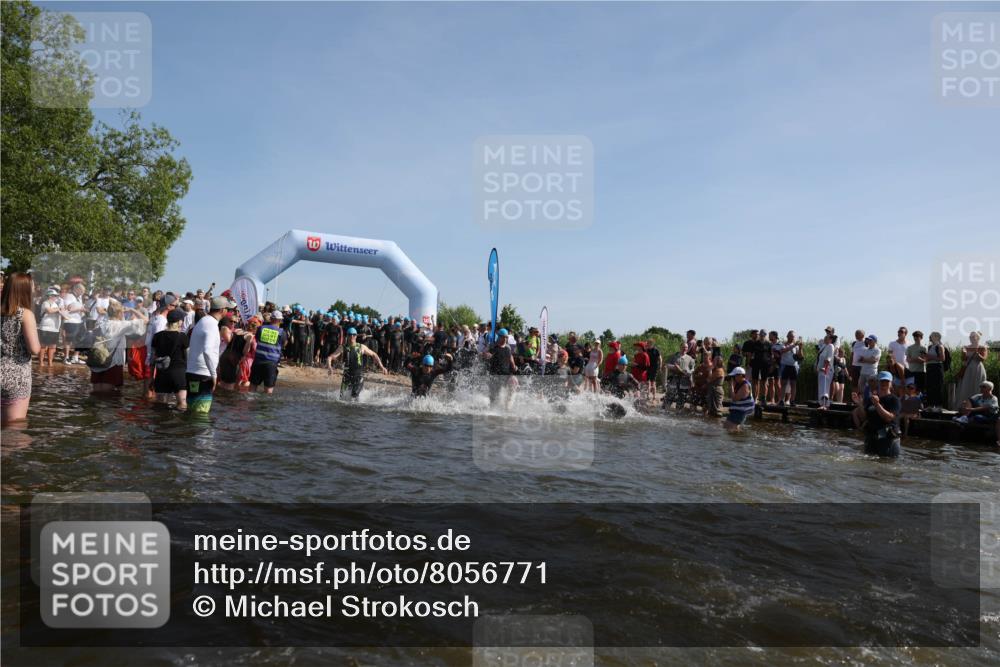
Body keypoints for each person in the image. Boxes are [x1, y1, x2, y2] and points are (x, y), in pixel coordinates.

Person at [1, 273, 42, 424]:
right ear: (24, 290)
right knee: (14, 430)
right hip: (16, 377)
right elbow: (34, 349)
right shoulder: (24, 314)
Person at [88, 300, 149, 393]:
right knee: (108, 395)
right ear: (120, 313)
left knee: (96, 391)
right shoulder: (122, 325)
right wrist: (132, 310)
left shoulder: (100, 324)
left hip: (98, 359)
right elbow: (145, 320)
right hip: (113, 361)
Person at [185, 296, 229, 413]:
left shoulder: (203, 321)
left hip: (193, 372)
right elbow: (207, 350)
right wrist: (214, 375)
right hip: (203, 375)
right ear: (222, 310)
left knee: (192, 411)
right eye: (227, 310)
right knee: (201, 414)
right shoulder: (211, 324)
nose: (228, 312)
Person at [329, 327, 388, 399]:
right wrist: (330, 367)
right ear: (347, 336)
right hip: (347, 376)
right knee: (341, 397)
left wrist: (382, 367)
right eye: (350, 335)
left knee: (354, 396)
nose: (352, 336)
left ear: (356, 336)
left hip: (358, 376)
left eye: (354, 335)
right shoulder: (343, 347)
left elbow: (374, 354)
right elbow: (330, 357)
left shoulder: (361, 347)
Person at [151, 309, 189, 409]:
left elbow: (153, 359)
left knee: (160, 406)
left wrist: (152, 377)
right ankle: (178, 423)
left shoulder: (157, 336)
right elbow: (187, 357)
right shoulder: (182, 337)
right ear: (179, 321)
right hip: (178, 373)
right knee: (182, 404)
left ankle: (161, 423)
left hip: (162, 373)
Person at [862, 371, 902, 457]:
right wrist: (859, 404)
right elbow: (865, 417)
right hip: (872, 438)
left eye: (886, 381)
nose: (884, 384)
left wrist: (877, 405)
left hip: (888, 440)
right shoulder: (871, 399)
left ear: (891, 383)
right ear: (878, 382)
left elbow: (889, 418)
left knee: (886, 466)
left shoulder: (894, 400)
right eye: (882, 381)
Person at [251, 311, 288, 394]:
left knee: (252, 387)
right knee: (268, 390)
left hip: (258, 361)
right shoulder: (281, 332)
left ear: (271, 319)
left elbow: (257, 339)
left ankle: (249, 405)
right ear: (280, 320)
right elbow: (284, 344)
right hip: (271, 363)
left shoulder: (261, 328)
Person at [954, 331, 988, 410]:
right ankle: (964, 407)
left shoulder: (982, 347)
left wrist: (978, 354)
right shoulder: (965, 347)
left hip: (978, 369)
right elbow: (963, 359)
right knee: (966, 386)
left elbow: (983, 359)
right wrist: (964, 354)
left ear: (977, 338)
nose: (971, 338)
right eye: (970, 337)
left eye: (973, 337)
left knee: (977, 386)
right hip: (968, 369)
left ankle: (977, 407)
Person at [484, 327, 517, 407]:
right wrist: (487, 355)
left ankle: (508, 405)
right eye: (503, 337)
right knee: (495, 396)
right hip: (495, 374)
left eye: (506, 337)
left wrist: (513, 365)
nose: (505, 339)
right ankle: (491, 408)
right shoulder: (493, 347)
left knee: (514, 382)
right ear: (499, 336)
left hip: (506, 373)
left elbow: (510, 356)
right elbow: (486, 354)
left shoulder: (508, 347)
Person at [60, 282, 86, 364]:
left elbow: (78, 307)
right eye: (82, 291)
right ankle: (66, 357)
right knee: (68, 340)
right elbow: (68, 309)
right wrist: (80, 309)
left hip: (79, 320)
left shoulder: (79, 297)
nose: (82, 293)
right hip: (70, 321)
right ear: (77, 289)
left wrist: (82, 309)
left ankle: (75, 357)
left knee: (80, 338)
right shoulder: (69, 296)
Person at [775, 330, 803, 406]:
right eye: (791, 336)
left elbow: (800, 357)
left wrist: (800, 348)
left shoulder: (796, 346)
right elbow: (782, 351)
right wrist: (793, 345)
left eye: (793, 336)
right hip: (785, 365)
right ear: (787, 336)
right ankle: (781, 400)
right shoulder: (783, 344)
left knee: (793, 384)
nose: (792, 338)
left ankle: (792, 400)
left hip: (794, 366)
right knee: (783, 383)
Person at [37, 287, 62, 367]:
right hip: (45, 328)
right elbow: (49, 311)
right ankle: (41, 362)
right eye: (54, 295)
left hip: (55, 328)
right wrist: (59, 309)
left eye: (56, 296)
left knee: (52, 346)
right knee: (43, 346)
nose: (56, 297)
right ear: (50, 296)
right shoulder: (45, 303)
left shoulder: (56, 304)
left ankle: (50, 363)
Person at [725, 367, 755, 431]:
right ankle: (739, 436)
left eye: (734, 376)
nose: (733, 378)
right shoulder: (738, 383)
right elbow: (730, 395)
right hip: (736, 408)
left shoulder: (745, 385)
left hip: (743, 410)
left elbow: (735, 398)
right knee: (726, 426)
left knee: (732, 429)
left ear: (741, 375)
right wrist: (732, 385)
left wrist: (731, 385)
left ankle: (739, 439)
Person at [924, 331, 947, 410]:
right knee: (930, 386)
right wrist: (926, 357)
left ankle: (938, 406)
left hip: (937, 367)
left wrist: (930, 357)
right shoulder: (930, 347)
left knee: (938, 386)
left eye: (931, 336)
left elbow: (942, 358)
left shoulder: (940, 346)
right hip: (930, 367)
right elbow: (927, 359)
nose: (929, 338)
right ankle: (930, 405)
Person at [816, 334, 836, 409]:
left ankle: (825, 405)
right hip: (820, 370)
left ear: (830, 339)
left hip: (826, 370)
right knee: (821, 387)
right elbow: (819, 357)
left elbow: (829, 358)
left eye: (827, 338)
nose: (825, 338)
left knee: (825, 387)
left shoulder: (831, 346)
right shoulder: (823, 346)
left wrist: (825, 367)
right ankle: (821, 404)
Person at [848, 329, 867, 402]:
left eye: (857, 334)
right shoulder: (854, 343)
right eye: (855, 334)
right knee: (854, 383)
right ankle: (854, 400)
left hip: (863, 366)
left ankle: (862, 400)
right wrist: (850, 366)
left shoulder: (866, 342)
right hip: (854, 366)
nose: (855, 335)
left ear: (862, 335)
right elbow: (852, 355)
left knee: (862, 384)